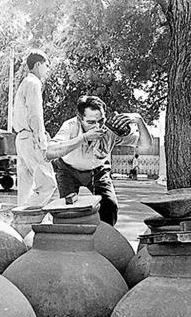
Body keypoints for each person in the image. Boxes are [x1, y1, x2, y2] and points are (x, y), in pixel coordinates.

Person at [46, 95, 153, 226]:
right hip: (68, 169)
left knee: (110, 206)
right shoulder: (70, 126)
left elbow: (146, 145)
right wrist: (84, 138)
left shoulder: (110, 129)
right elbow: (50, 152)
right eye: (91, 122)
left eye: (101, 120)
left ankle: (104, 238)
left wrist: (139, 120)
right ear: (80, 119)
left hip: (97, 171)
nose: (98, 126)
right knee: (68, 212)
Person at [12, 49, 57, 207]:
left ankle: (22, 223)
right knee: (48, 184)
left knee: (26, 188)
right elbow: (35, 114)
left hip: (22, 138)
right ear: (38, 65)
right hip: (31, 138)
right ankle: (26, 214)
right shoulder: (34, 83)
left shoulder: (25, 83)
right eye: (46, 65)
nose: (47, 69)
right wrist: (42, 141)